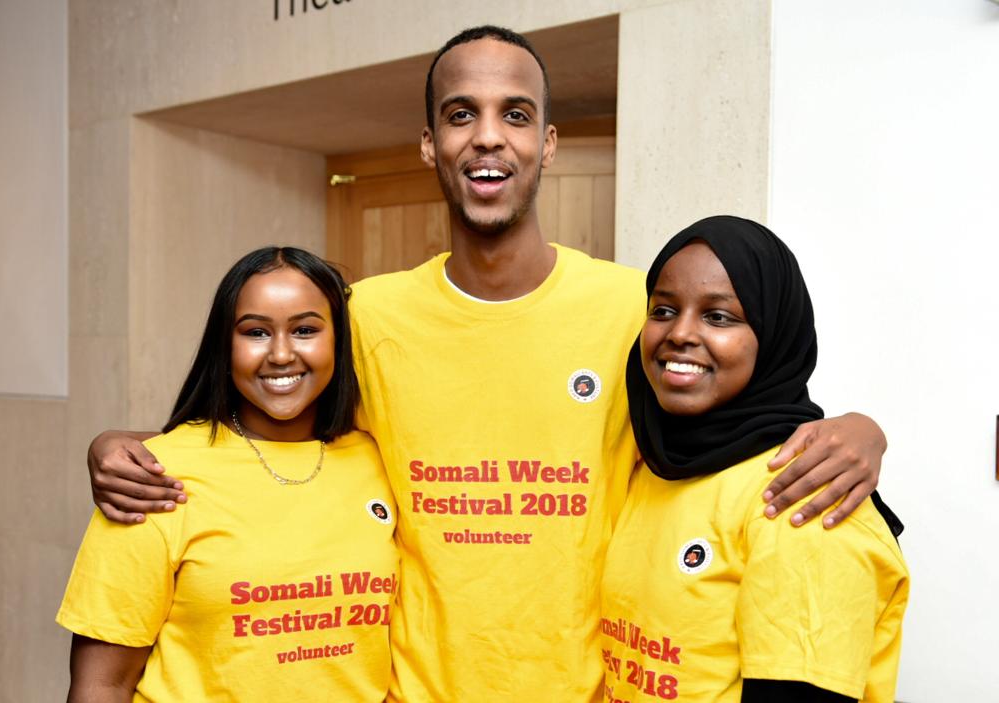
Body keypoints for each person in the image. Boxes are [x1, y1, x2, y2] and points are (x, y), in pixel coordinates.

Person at [81, 27, 891, 701]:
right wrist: (126, 446)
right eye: (461, 114)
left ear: (548, 143)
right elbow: (269, 422)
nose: (489, 135)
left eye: (517, 114)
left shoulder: (636, 312)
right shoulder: (367, 316)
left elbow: (741, 417)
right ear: (430, 143)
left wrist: (861, 430)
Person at [57, 248, 397, 701]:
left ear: (338, 339)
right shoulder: (150, 480)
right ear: (225, 345)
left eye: (305, 330)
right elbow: (103, 684)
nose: (281, 354)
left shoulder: (377, 460)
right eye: (256, 332)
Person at [601, 216, 909, 702]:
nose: (680, 333)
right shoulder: (655, 464)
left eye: (718, 317)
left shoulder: (805, 493)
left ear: (773, 334)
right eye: (663, 310)